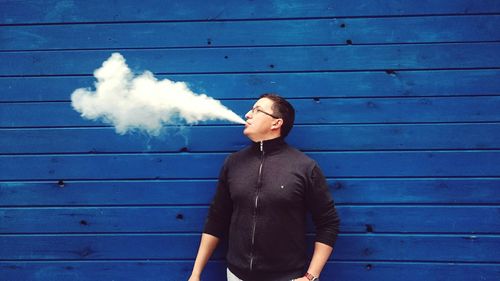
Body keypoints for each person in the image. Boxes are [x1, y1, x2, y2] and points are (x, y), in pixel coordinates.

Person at [188, 94, 340, 281]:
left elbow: (328, 224)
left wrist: (311, 277)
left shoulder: (305, 167)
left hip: (287, 277)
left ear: (276, 123)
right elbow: (216, 220)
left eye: (256, 110)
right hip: (236, 275)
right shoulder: (233, 163)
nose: (247, 115)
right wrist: (195, 274)